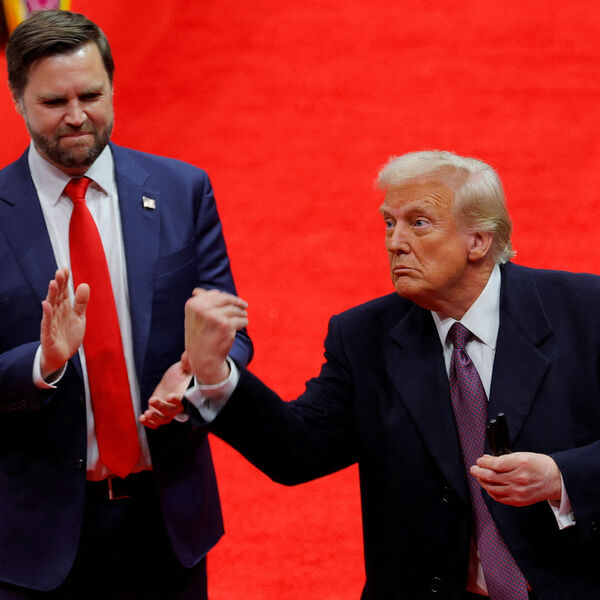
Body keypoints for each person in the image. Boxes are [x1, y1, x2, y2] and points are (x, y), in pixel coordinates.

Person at [179, 150, 600, 599]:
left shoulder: (584, 311)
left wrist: (561, 477)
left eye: (418, 223)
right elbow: (296, 450)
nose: (395, 242)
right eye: (388, 223)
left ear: (477, 240)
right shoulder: (364, 337)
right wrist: (214, 373)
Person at [0, 9, 252, 599]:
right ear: (16, 101)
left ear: (112, 86)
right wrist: (42, 364)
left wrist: (195, 373)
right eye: (53, 101)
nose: (76, 116)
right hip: (33, 539)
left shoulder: (182, 190)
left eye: (91, 95)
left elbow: (230, 332)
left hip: (167, 525)